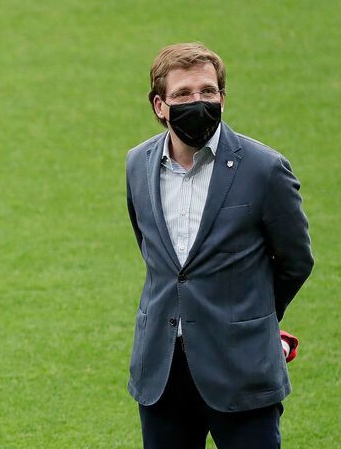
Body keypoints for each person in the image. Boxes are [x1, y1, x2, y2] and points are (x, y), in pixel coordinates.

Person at [125, 43, 314, 448]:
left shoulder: (265, 169)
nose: (198, 102)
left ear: (223, 99)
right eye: (183, 94)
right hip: (162, 373)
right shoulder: (137, 165)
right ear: (160, 105)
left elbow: (296, 261)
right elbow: (157, 257)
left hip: (242, 371)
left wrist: (252, 318)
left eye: (208, 92)